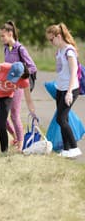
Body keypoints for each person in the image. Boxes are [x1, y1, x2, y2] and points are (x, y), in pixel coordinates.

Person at [0, 20, 38, 150]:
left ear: (10, 34)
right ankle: (15, 136)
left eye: (3, 36)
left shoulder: (20, 49)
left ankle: (21, 145)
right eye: (0, 36)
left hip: (19, 86)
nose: (1, 38)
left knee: (14, 114)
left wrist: (20, 74)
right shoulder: (6, 48)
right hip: (7, 84)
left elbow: (32, 67)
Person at [45, 23, 82, 158]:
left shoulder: (69, 51)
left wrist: (69, 92)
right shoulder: (59, 51)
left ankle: (74, 147)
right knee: (63, 118)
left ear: (58, 36)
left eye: (51, 39)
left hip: (70, 89)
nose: (51, 42)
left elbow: (73, 73)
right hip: (60, 89)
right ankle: (66, 149)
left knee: (61, 119)